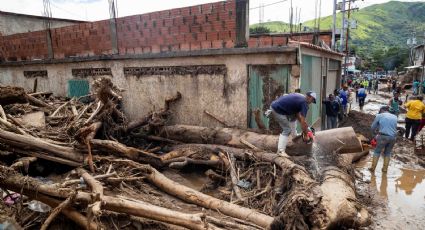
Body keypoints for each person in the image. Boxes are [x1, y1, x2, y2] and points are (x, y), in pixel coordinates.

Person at [269, 91, 317, 156]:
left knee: (293, 117)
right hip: (277, 110)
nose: (311, 103)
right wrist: (306, 134)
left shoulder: (300, 97)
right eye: (312, 100)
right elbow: (302, 122)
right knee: (287, 130)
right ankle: (280, 151)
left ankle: (294, 135)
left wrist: (307, 129)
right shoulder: (304, 103)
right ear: (310, 97)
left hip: (276, 106)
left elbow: (298, 116)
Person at [370, 106, 398, 173]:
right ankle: (385, 170)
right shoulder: (395, 117)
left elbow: (372, 127)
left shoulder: (379, 115)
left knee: (377, 151)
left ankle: (372, 169)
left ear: (382, 110)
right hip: (393, 137)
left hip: (383, 136)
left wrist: (374, 135)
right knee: (387, 153)